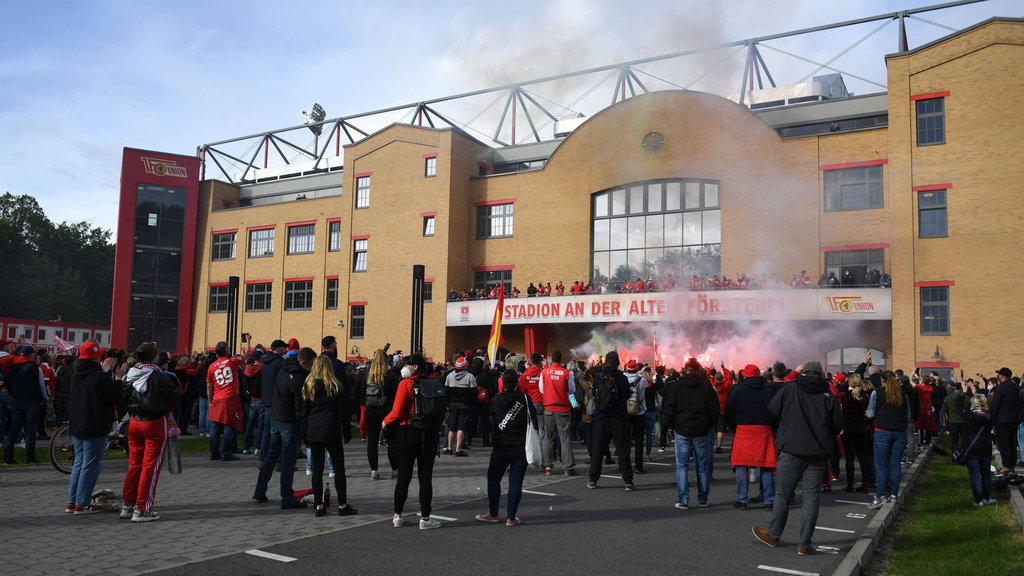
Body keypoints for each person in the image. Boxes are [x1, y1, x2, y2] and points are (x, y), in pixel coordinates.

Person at [753, 361, 843, 556]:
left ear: (804, 373)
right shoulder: (828, 393)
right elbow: (837, 424)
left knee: (783, 495)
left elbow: (772, 410)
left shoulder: (791, 388)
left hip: (791, 450)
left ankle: (774, 535)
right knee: (811, 498)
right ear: (819, 374)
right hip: (817, 454)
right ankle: (804, 543)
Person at [121, 343, 181, 522]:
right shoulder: (161, 377)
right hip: (154, 423)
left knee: (134, 464)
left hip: (134, 421)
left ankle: (128, 504)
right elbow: (174, 398)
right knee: (151, 467)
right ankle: (142, 509)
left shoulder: (130, 375)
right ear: (155, 357)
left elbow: (122, 396)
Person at [384, 354, 443, 529]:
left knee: (404, 476)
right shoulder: (434, 383)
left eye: (408, 364)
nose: (405, 367)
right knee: (425, 478)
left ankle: (397, 515)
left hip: (407, 431)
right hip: (429, 434)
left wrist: (385, 421)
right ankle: (425, 518)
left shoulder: (406, 384)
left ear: (415, 367)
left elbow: (396, 411)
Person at [253, 346, 317, 509]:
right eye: (311, 364)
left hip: (276, 415)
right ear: (303, 363)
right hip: (288, 420)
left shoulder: (284, 367)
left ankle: (260, 489)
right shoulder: (297, 379)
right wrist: (305, 429)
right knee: (288, 459)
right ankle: (287, 497)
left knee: (272, 454)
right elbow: (299, 407)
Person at [476, 369, 538, 526]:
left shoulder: (496, 399)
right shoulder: (525, 399)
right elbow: (534, 421)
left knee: (493, 479)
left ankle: (493, 513)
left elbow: (490, 420)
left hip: (501, 447)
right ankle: (511, 517)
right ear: (517, 382)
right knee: (515, 482)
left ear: (503, 382)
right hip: (520, 447)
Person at [65, 341, 120, 514]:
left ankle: (72, 502)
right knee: (90, 464)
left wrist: (104, 374)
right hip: (94, 425)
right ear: (96, 357)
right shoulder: (99, 376)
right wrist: (113, 376)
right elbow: (111, 395)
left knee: (79, 463)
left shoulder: (76, 372)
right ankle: (82, 503)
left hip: (78, 423)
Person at [299, 355, 356, 517]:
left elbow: (303, 412)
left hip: (314, 429)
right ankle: (342, 505)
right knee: (338, 467)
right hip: (331, 429)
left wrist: (304, 434)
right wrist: (347, 432)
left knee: (317, 468)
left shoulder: (308, 386)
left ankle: (319, 505)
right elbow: (342, 412)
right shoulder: (335, 386)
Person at [664, 358, 719, 508]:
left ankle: (684, 500)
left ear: (686, 370)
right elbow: (715, 409)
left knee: (682, 466)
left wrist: (669, 426)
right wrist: (709, 425)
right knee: (702, 466)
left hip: (682, 430)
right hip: (701, 430)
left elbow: (669, 408)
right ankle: (703, 499)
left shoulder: (678, 386)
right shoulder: (706, 386)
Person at [725, 364, 776, 511]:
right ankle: (769, 500)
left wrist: (733, 427)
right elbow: (774, 411)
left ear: (745, 375)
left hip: (743, 430)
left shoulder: (738, 390)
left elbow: (729, 411)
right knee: (766, 465)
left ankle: (742, 500)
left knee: (742, 465)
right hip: (764, 430)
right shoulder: (768, 390)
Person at [587, 351, 634, 491]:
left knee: (598, 450)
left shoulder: (598, 378)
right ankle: (628, 481)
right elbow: (626, 395)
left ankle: (593, 480)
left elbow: (594, 395)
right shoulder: (622, 379)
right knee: (623, 450)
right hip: (619, 418)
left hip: (602, 418)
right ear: (618, 363)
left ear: (606, 362)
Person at [866, 371, 911, 509]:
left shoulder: (877, 393)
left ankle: (879, 496)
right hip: (899, 431)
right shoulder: (902, 394)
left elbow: (870, 413)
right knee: (895, 464)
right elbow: (908, 414)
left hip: (882, 430)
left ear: (883, 381)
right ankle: (894, 495)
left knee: (881, 465)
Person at [3, 346, 45, 465]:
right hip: (31, 403)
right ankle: (30, 458)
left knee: (13, 431)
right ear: (31, 355)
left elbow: (9, 385)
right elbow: (35, 386)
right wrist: (40, 399)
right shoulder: (32, 367)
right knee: (30, 432)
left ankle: (8, 458)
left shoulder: (13, 366)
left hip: (17, 402)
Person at [360, 349, 397, 480]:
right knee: (391, 441)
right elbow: (395, 393)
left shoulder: (368, 374)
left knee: (372, 441)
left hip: (371, 410)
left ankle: (374, 471)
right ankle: (394, 469)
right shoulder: (390, 374)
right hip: (387, 411)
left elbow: (362, 392)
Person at [540, 350, 577, 476]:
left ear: (551, 360)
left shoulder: (544, 372)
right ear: (561, 360)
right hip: (563, 409)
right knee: (565, 438)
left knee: (548, 438)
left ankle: (547, 467)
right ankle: (568, 467)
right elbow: (572, 389)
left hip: (548, 408)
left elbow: (541, 389)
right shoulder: (567, 373)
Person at [959, 384, 996, 506]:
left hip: (972, 447)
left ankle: (978, 500)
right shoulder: (990, 416)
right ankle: (987, 497)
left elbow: (960, 407)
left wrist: (965, 393)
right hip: (986, 447)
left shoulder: (969, 416)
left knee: (975, 474)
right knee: (986, 474)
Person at [206, 341, 243, 462]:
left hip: (217, 397)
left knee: (215, 425)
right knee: (231, 424)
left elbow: (209, 386)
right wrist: (247, 342)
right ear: (226, 350)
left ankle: (214, 452)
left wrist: (210, 400)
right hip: (230, 397)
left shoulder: (212, 366)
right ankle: (226, 452)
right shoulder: (232, 361)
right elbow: (246, 356)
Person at [841, 373, 875, 493]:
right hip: (862, 428)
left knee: (849, 458)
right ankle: (865, 483)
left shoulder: (844, 396)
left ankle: (850, 484)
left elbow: (842, 412)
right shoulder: (865, 396)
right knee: (863, 458)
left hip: (848, 428)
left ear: (850, 382)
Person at [258, 340, 288, 464]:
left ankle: (263, 458)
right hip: (277, 402)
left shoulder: (265, 363)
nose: (286, 350)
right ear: (278, 349)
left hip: (266, 401)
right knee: (279, 433)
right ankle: (280, 460)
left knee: (267, 432)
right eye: (284, 348)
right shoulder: (280, 363)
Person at [988, 367, 1022, 474]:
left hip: (1002, 420)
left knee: (1003, 444)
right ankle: (1012, 463)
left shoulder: (1000, 388)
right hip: (1014, 420)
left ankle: (1006, 465)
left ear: (1002, 377)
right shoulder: (1016, 388)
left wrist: (990, 418)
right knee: (1012, 443)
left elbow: (995, 405)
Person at [443, 356, 476, 456]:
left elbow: (446, 392)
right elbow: (473, 394)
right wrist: (472, 404)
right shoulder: (470, 376)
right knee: (461, 427)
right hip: (464, 405)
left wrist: (447, 404)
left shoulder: (449, 376)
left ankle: (449, 448)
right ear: (465, 365)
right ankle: (458, 449)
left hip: (452, 405)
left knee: (452, 427)